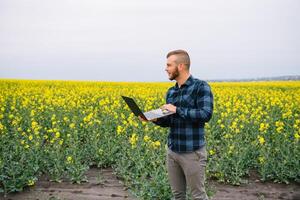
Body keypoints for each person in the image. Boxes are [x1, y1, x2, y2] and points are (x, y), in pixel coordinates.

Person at [139, 49, 213, 200]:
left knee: (198, 195)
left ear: (181, 66)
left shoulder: (200, 87)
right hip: (173, 152)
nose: (165, 68)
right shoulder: (171, 92)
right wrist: (155, 118)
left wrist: (177, 109)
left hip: (192, 152)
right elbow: (170, 121)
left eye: (169, 65)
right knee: (177, 195)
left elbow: (206, 114)